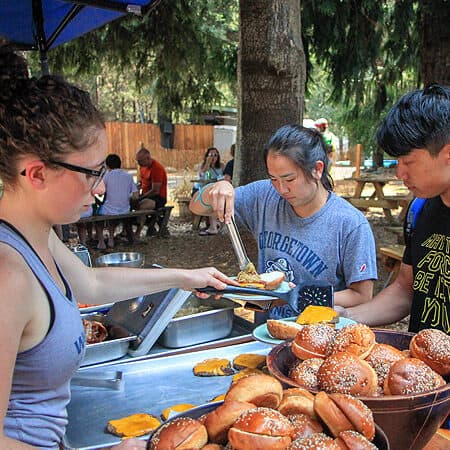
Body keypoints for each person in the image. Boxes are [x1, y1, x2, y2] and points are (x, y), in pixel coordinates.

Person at [0, 39, 235, 450]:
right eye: (92, 173)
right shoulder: (7, 277)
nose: (102, 186)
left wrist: (182, 277)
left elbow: (91, 283)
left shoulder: (37, 235)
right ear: (36, 174)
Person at [190, 124, 377, 320]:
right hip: (264, 330)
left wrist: (297, 298)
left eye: (289, 179)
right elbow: (196, 207)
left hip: (317, 337)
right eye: (273, 179)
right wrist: (215, 188)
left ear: (317, 169)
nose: (281, 189)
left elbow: (362, 296)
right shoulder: (263, 196)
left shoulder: (350, 224)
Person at [335, 84, 450, 335]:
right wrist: (345, 317)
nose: (400, 173)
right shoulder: (419, 210)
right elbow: (405, 290)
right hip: (418, 370)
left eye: (408, 161)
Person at [95, 154, 139, 249]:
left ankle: (101, 242)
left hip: (108, 210)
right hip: (125, 210)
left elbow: (100, 194)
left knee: (98, 216)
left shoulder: (106, 176)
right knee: (112, 215)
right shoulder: (128, 176)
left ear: (107, 165)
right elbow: (136, 196)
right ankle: (111, 239)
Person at [134, 144, 168, 238]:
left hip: (158, 197)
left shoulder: (157, 168)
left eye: (140, 161)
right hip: (146, 195)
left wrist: (141, 197)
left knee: (141, 206)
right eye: (137, 161)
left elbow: (155, 191)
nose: (139, 163)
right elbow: (140, 182)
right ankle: (126, 231)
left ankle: (138, 232)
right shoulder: (142, 167)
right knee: (129, 203)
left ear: (148, 158)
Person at [193, 147, 225, 236]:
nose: (213, 157)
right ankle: (213, 226)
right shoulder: (202, 165)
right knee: (211, 200)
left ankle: (215, 224)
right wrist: (207, 164)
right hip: (201, 190)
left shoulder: (221, 166)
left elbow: (223, 178)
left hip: (216, 189)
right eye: (211, 155)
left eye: (215, 155)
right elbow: (203, 177)